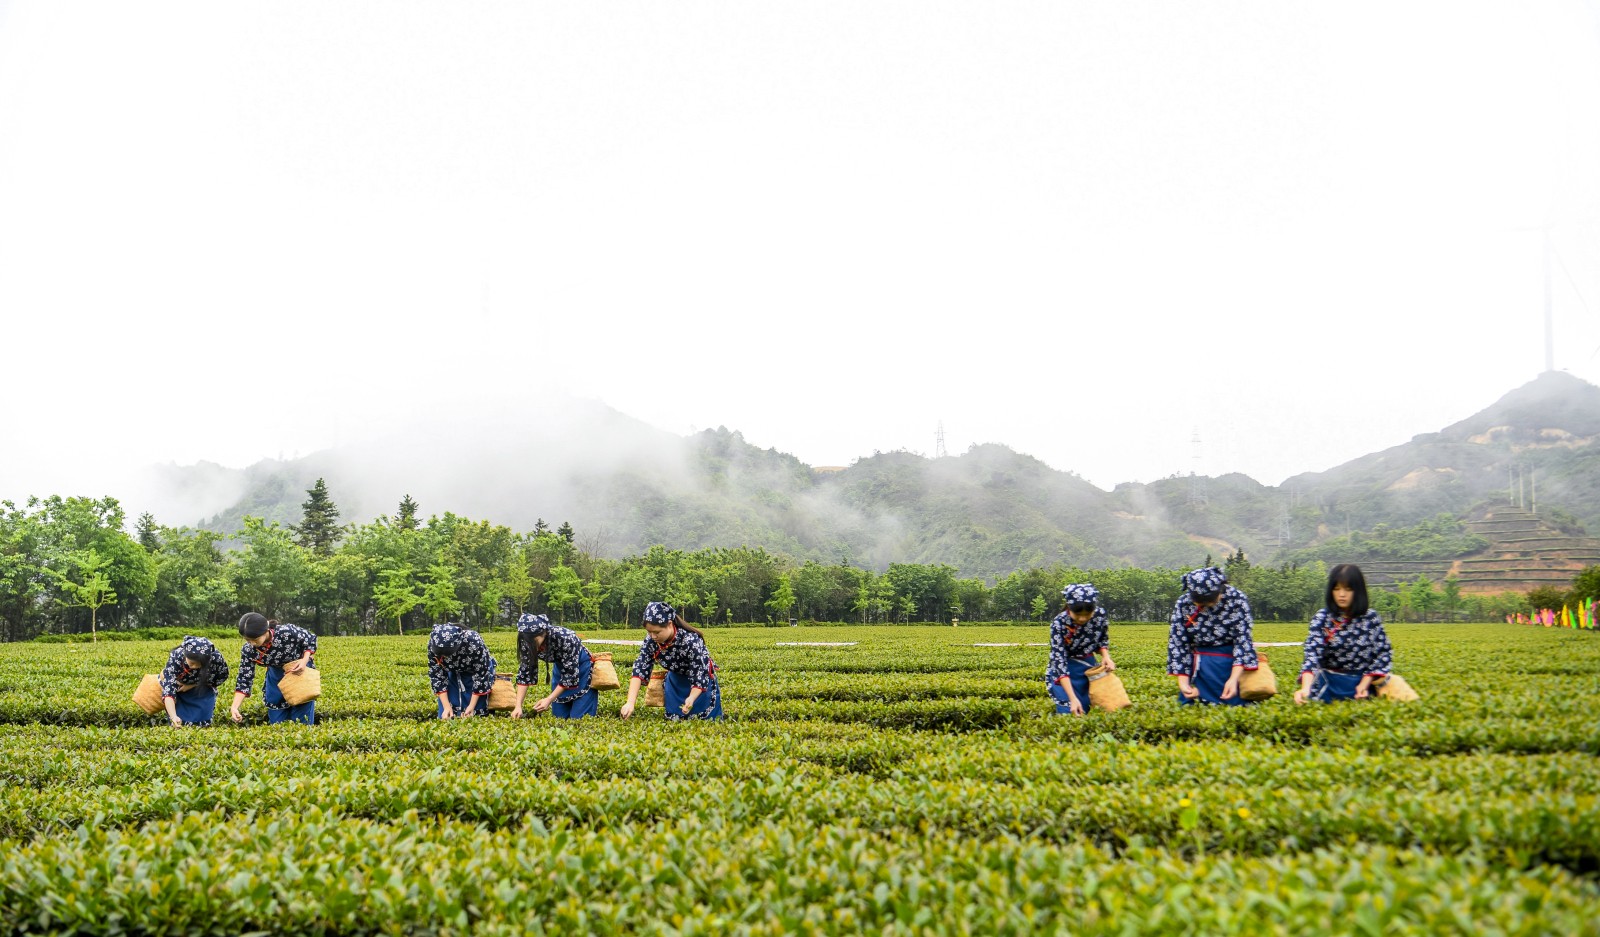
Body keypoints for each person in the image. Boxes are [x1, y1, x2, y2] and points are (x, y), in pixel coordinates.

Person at [1293, 564, 1394, 704]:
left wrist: (1364, 685)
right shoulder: (1323, 617)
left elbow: (1383, 654)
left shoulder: (1370, 618)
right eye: (1336, 588)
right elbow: (1312, 654)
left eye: (1348, 589)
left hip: (1362, 684)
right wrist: (1305, 688)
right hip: (1328, 684)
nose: (1341, 594)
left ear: (1358, 591)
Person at [1166, 566, 1260, 706]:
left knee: (1235, 708)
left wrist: (1233, 679)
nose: (1207, 606)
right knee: (1194, 709)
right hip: (1199, 666)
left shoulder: (1236, 599)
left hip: (1230, 664)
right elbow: (1178, 643)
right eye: (1200, 603)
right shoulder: (1183, 604)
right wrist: (1183, 682)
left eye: (1211, 601)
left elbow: (1243, 641)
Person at [619, 601, 722, 721]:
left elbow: (699, 673)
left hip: (700, 685)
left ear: (669, 624)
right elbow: (640, 669)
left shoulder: (690, 640)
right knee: (675, 725)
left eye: (657, 632)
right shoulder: (651, 641)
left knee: (705, 723)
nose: (652, 636)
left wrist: (691, 698)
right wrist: (630, 703)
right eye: (649, 632)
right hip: (675, 683)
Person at [231, 613, 318, 725]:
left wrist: (304, 660)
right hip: (275, 678)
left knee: (302, 721)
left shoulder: (286, 632)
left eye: (255, 639)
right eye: (248, 640)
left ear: (266, 630)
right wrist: (235, 707)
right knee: (277, 722)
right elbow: (244, 678)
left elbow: (310, 639)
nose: (252, 643)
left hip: (299, 673)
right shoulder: (249, 650)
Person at [1046, 583, 1116, 715]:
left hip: (1087, 668)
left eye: (1087, 614)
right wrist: (1072, 699)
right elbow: (1059, 661)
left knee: (1085, 707)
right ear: (1069, 608)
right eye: (1077, 614)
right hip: (1064, 671)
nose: (1082, 618)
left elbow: (1102, 640)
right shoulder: (1059, 623)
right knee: (1068, 710)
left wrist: (1106, 657)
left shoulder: (1100, 615)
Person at [512, 613, 599, 719]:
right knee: (559, 717)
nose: (529, 644)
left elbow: (569, 674)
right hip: (560, 669)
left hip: (582, 669)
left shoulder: (566, 637)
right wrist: (518, 706)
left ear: (543, 633)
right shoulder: (527, 642)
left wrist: (549, 699)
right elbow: (525, 673)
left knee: (579, 717)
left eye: (532, 640)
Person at [428, 622, 496, 720]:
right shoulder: (433, 642)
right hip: (451, 673)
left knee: (477, 713)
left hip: (474, 672)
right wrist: (447, 707)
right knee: (447, 713)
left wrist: (471, 707)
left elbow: (481, 674)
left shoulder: (473, 640)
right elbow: (437, 675)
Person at [157, 635, 230, 727]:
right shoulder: (176, 657)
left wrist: (193, 685)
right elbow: (169, 691)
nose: (194, 667)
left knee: (203, 722)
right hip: (179, 691)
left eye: (199, 665)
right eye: (191, 663)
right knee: (180, 721)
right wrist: (173, 717)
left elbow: (221, 677)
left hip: (202, 690)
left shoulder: (215, 658)